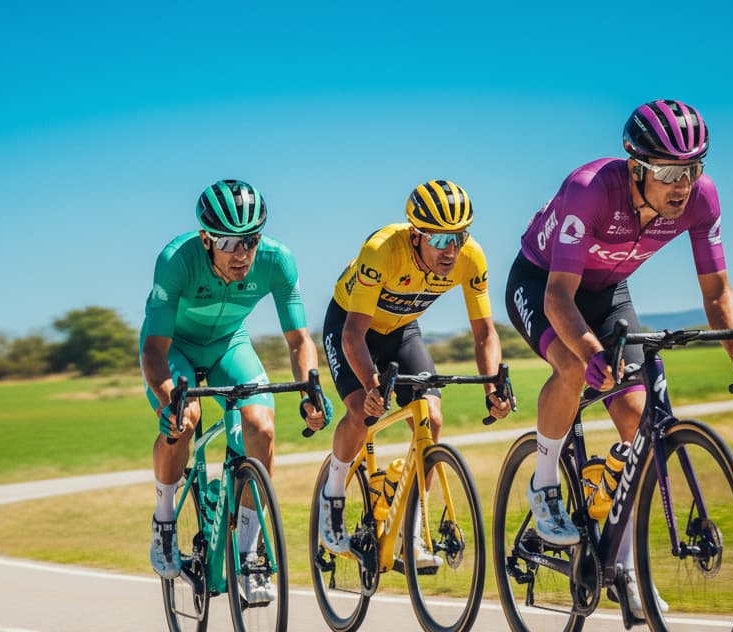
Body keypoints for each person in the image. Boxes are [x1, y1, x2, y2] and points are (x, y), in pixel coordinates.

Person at [504, 99, 733, 618]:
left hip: (607, 293)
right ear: (637, 167)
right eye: (670, 171)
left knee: (636, 418)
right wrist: (588, 351)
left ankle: (622, 564)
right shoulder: (590, 190)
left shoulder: (702, 200)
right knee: (576, 367)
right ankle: (544, 481)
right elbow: (558, 299)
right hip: (542, 284)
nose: (683, 184)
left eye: (692, 169)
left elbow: (717, 292)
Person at [140, 178, 331, 599]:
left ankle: (248, 553)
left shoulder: (278, 260)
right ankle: (164, 519)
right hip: (175, 348)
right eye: (228, 243)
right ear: (206, 239)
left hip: (229, 344)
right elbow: (154, 351)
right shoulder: (176, 260)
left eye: (250, 241)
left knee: (260, 427)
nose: (242, 254)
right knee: (184, 420)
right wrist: (170, 396)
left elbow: (299, 341)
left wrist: (309, 389)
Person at [318, 180, 512, 564]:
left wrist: (493, 387)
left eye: (459, 237)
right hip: (352, 327)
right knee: (364, 411)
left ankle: (411, 525)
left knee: (432, 417)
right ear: (415, 236)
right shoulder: (381, 251)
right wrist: (373, 387)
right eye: (440, 240)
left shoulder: (471, 258)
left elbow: (484, 333)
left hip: (403, 330)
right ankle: (333, 494)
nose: (451, 250)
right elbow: (353, 334)